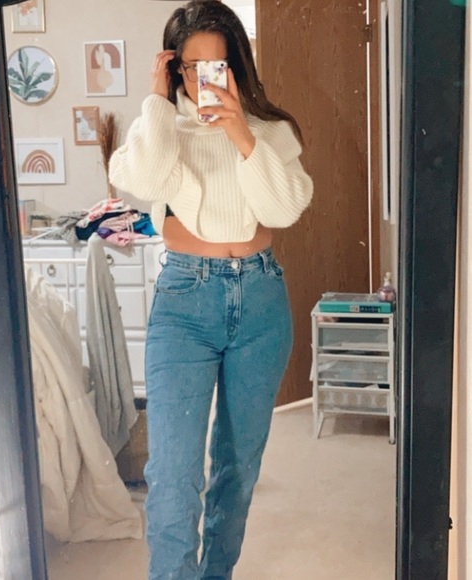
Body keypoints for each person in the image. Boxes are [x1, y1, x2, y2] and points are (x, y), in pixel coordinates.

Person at [109, 1, 313, 578]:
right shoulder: (160, 130)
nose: (206, 79)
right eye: (192, 67)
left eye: (216, 66)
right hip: (185, 302)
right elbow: (142, 179)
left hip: (261, 301)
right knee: (173, 475)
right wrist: (156, 102)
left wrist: (242, 134)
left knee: (237, 470)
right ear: (174, 67)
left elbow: (284, 209)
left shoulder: (268, 132)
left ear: (236, 65)